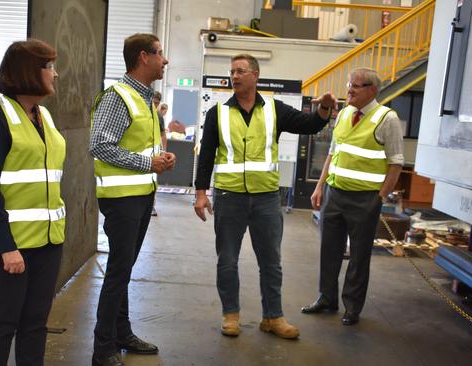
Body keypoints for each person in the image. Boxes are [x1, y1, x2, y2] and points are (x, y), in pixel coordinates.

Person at [193, 53, 336, 339]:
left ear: (255, 75)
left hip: (267, 199)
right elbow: (206, 154)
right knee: (227, 260)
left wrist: (323, 111)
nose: (234, 76)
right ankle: (230, 315)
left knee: (271, 261)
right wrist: (200, 193)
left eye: (240, 71)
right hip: (228, 196)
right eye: (232, 71)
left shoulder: (275, 109)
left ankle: (273, 317)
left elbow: (308, 125)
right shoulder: (218, 113)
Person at [0, 39, 65, 365]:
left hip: (46, 241)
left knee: (34, 325)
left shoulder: (43, 117)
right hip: (5, 246)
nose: (55, 73)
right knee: (1, 325)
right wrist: (5, 246)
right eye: (49, 66)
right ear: (28, 72)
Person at [90, 33, 175, 366]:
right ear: (143, 57)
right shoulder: (118, 97)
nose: (164, 60)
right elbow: (100, 145)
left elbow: (138, 146)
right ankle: (102, 349)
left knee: (123, 271)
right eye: (160, 54)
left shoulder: (146, 100)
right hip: (122, 199)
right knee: (117, 273)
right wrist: (147, 163)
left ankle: (122, 332)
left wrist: (161, 159)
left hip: (140, 196)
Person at [301, 68, 403, 326]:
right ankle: (326, 298)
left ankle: (352, 307)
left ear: (372, 90)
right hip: (334, 194)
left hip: (365, 199)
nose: (350, 90)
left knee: (358, 256)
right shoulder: (345, 113)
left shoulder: (386, 118)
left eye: (357, 86)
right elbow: (333, 154)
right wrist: (320, 186)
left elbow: (395, 164)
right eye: (350, 84)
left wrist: (380, 197)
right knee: (329, 251)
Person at [150, 91, 167, 216]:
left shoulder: (158, 116)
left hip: (155, 155)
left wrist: (164, 151)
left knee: (153, 181)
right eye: (154, 102)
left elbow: (162, 134)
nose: (155, 105)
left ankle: (152, 206)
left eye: (157, 103)